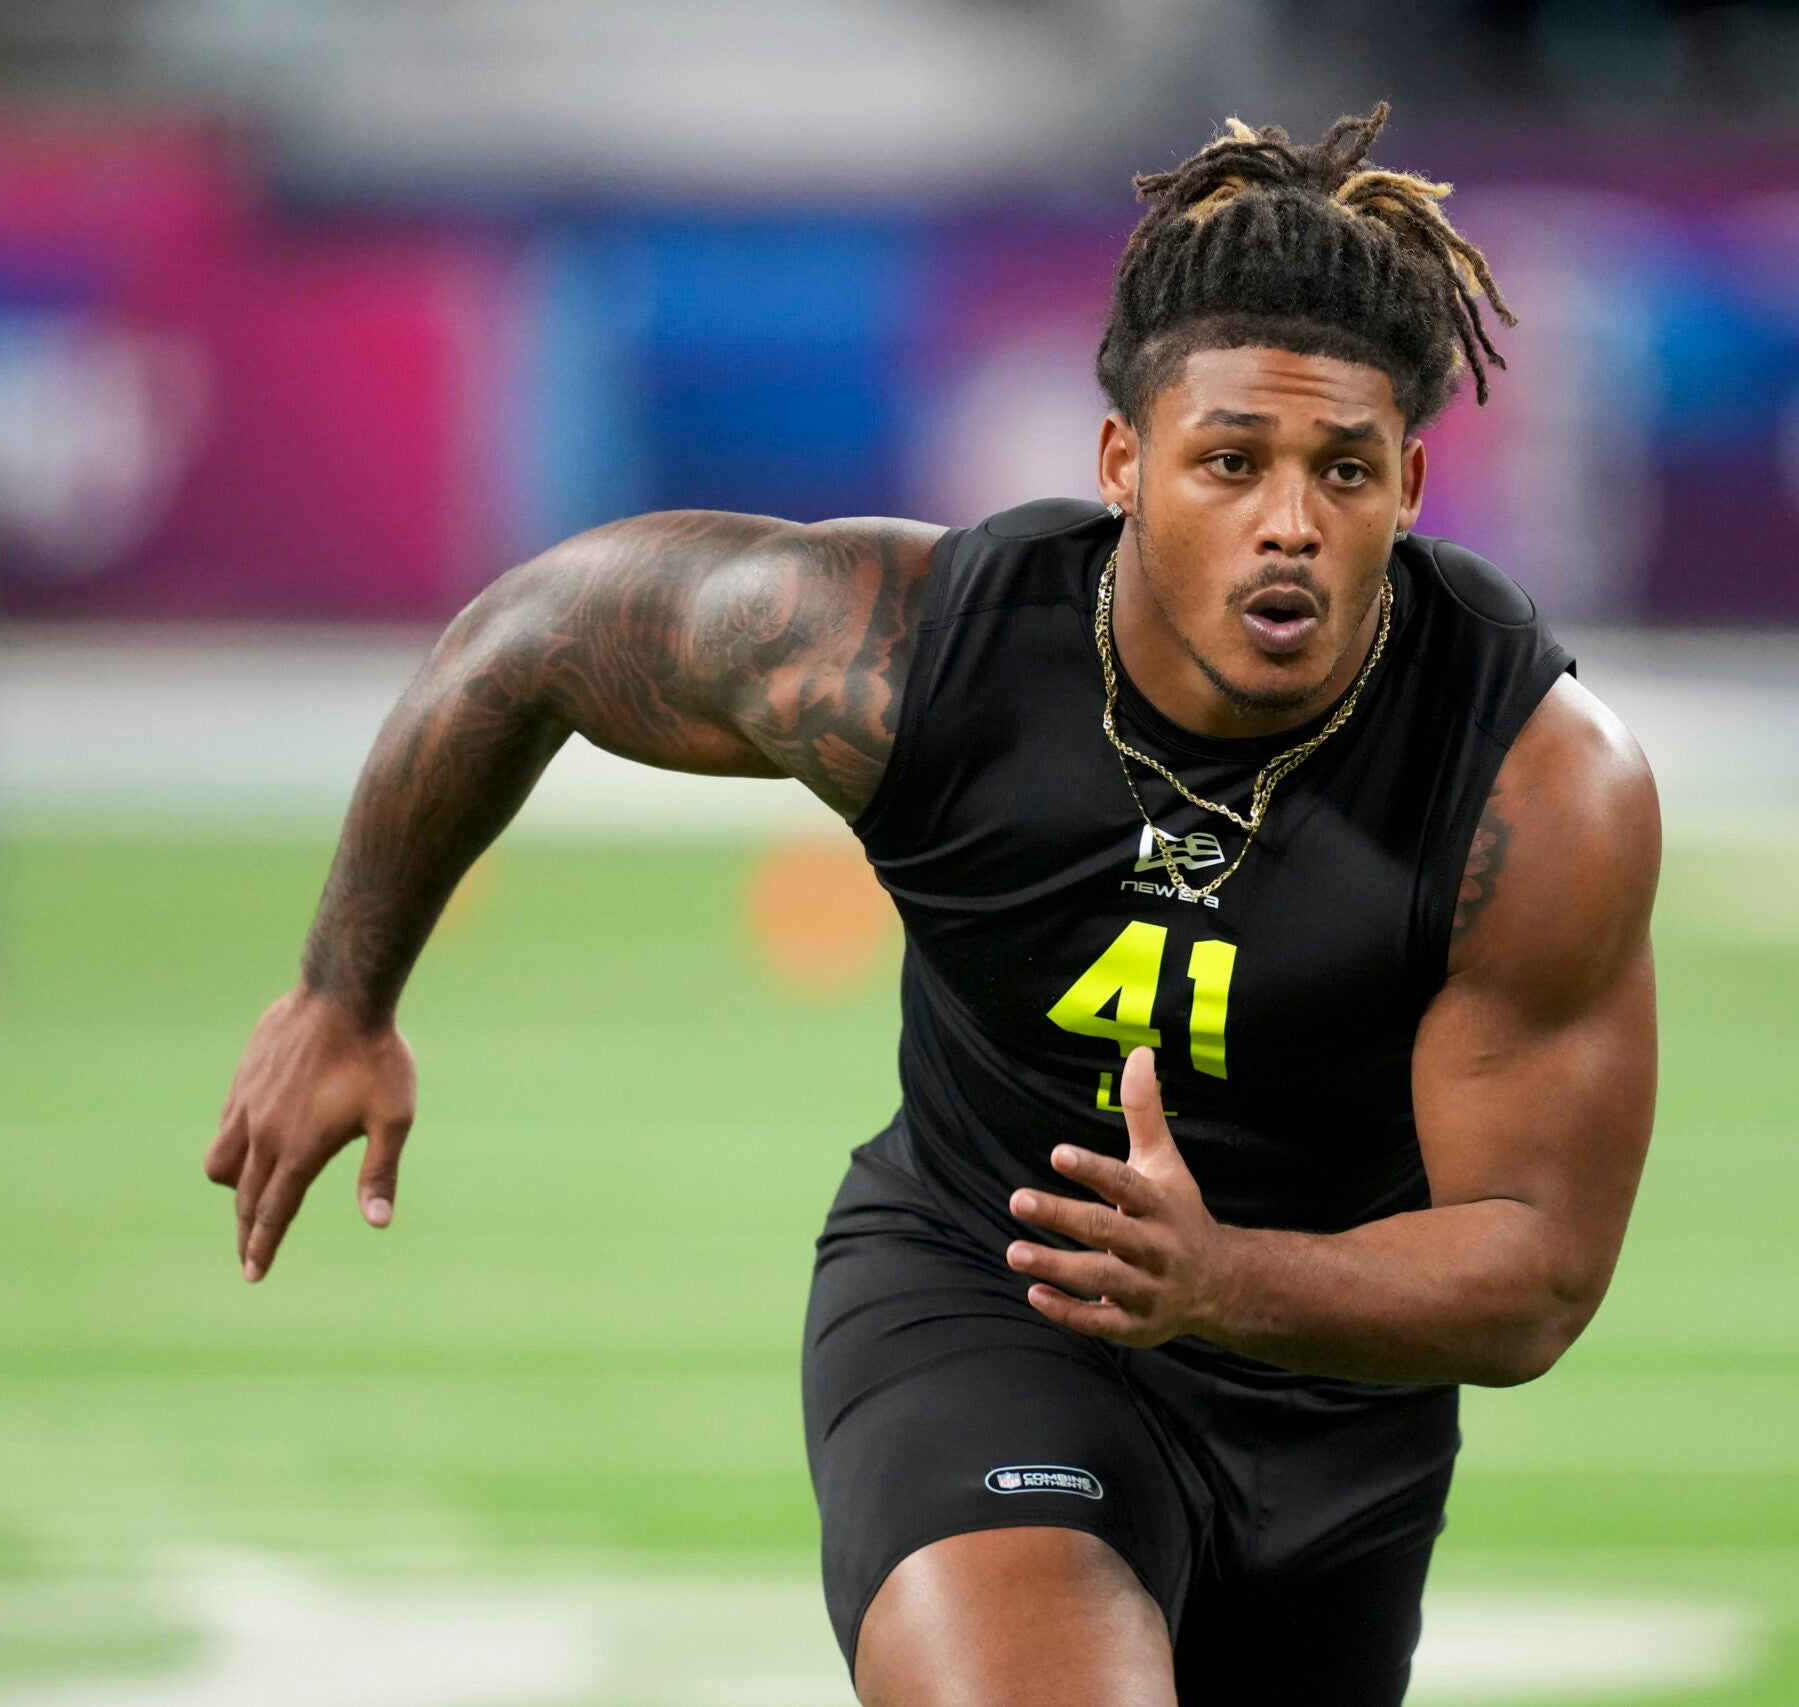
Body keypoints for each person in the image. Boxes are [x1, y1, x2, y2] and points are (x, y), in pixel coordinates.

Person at [206, 105, 1659, 1706]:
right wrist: (346, 995)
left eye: (1346, 470)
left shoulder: (1530, 780)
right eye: (1230, 462)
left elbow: (1536, 1275)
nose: (1291, 521)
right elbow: (538, 637)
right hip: (991, 1303)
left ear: (1412, 484)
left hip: (1335, 1405)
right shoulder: (922, 663)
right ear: (1124, 462)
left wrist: (1224, 1281)